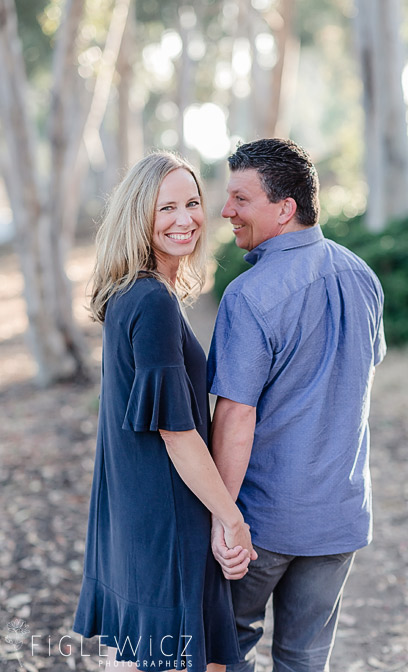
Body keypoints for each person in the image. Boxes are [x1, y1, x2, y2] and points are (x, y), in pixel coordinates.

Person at [206, 138, 386, 671]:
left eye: (241, 198)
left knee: (224, 647)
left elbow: (236, 416)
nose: (225, 211)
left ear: (285, 209)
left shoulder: (248, 296)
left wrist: (223, 517)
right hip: (339, 515)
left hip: (262, 520)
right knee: (306, 658)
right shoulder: (363, 276)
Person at [74, 152, 255, 671]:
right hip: (167, 522)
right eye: (166, 208)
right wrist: (231, 518)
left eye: (193, 203)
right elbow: (178, 434)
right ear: (140, 217)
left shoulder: (129, 293)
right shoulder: (152, 301)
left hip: (131, 518)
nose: (185, 219)